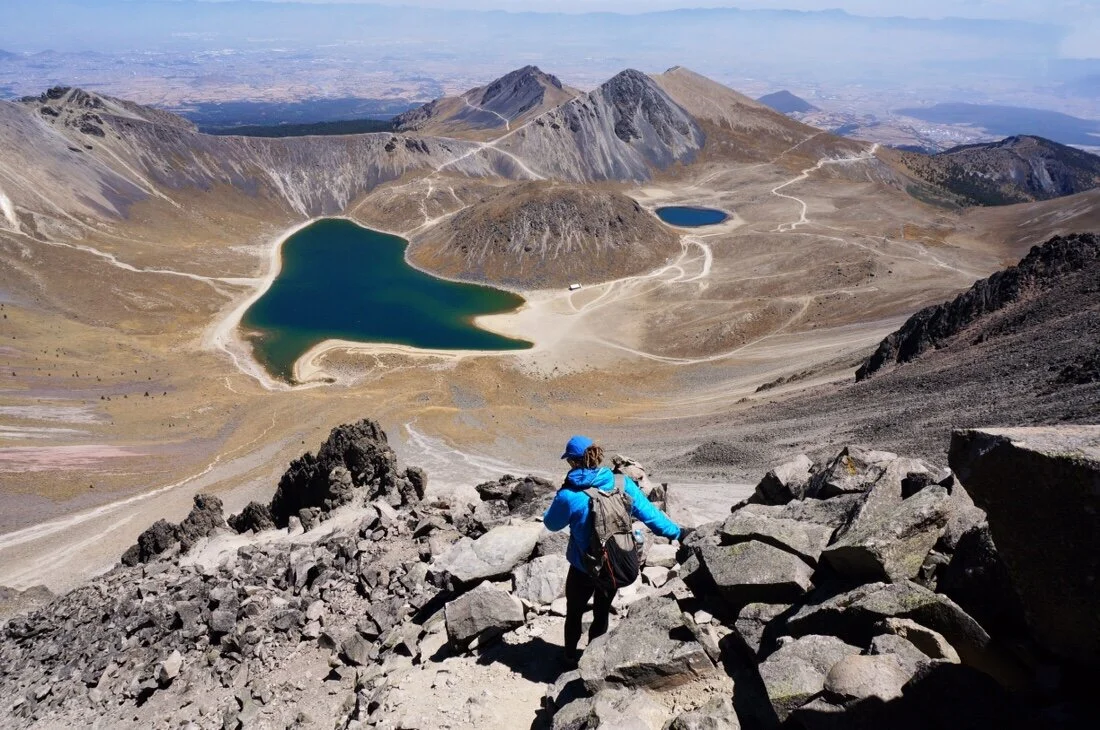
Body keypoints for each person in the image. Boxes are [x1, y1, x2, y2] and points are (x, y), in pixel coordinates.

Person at [542, 435, 684, 665]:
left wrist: (561, 497)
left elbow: (551, 524)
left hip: (582, 567)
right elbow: (650, 515)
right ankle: (593, 661)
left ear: (572, 462)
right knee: (601, 613)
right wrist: (676, 533)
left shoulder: (569, 495)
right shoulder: (621, 483)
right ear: (597, 457)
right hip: (613, 562)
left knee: (574, 613)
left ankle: (568, 657)